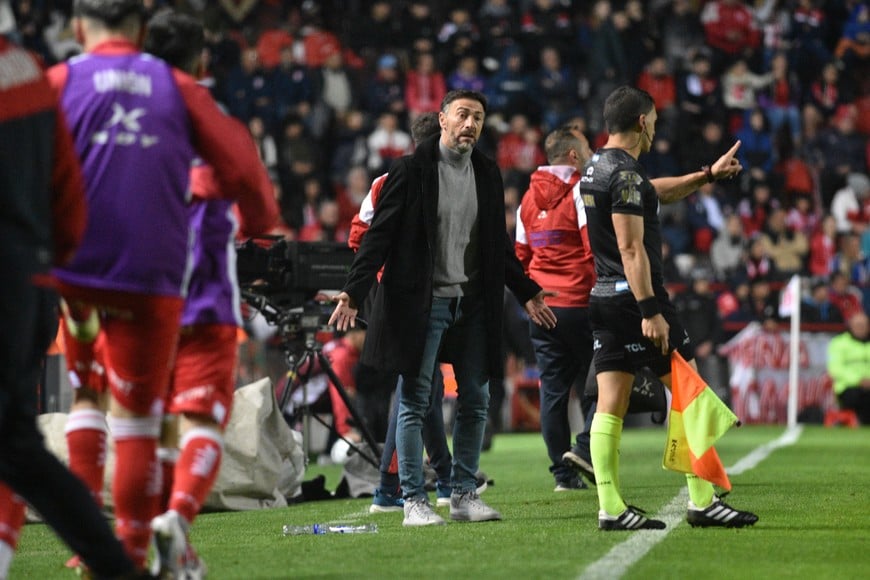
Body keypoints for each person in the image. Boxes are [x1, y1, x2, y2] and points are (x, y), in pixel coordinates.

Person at [48, 0, 277, 568]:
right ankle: (133, 543)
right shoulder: (181, 94)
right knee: (148, 422)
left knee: (85, 395)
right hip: (156, 283)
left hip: (72, 270)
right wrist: (256, 222)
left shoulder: (56, 79)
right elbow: (249, 185)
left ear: (78, 29)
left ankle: (88, 549)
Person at [330, 89, 556, 526]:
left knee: (477, 397)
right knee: (415, 401)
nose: (470, 124)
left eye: (478, 117)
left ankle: (463, 495)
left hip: (471, 305)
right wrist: (354, 292)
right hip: (421, 304)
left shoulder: (488, 173)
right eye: (462, 115)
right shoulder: (410, 171)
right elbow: (377, 238)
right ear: (443, 118)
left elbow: (497, 247)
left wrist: (527, 290)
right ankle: (413, 500)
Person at [580, 85, 758, 530]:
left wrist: (706, 176)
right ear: (642, 121)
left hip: (603, 297)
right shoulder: (625, 174)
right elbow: (630, 247)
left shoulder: (598, 167)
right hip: (633, 299)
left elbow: (649, 192)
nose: (657, 126)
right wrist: (650, 310)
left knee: (611, 402)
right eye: (654, 118)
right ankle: (702, 499)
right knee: (689, 391)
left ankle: (611, 508)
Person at [141, 9, 279, 577]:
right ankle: (175, 519)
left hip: (132, 291)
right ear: (202, 59)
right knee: (201, 420)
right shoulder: (212, 118)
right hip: (204, 297)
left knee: (139, 422)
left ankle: (134, 538)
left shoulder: (119, 110)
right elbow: (260, 208)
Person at [0, 33, 142, 579]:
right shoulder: (27, 68)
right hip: (35, 283)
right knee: (19, 449)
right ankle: (116, 567)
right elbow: (68, 188)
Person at [348, 112, 457, 513]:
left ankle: (442, 477)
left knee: (423, 386)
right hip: (405, 296)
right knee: (414, 387)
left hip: (409, 293)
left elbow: (357, 235)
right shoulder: (419, 180)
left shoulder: (382, 183)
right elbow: (363, 238)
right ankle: (390, 485)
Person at [514, 127, 597, 491]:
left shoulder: (527, 200)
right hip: (581, 304)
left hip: (543, 308)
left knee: (553, 392)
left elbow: (520, 257)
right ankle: (586, 450)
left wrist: (530, 298)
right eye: (588, 148)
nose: (593, 152)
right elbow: (593, 245)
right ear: (574, 156)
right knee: (601, 384)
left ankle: (563, 475)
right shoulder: (581, 190)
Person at [827, 311, 870, 425]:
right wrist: (858, 380)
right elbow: (835, 368)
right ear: (851, 326)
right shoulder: (839, 343)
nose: (861, 328)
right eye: (858, 325)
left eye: (863, 325)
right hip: (848, 387)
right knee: (856, 397)